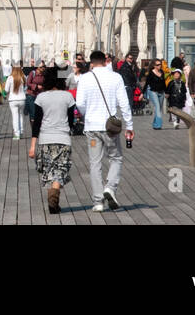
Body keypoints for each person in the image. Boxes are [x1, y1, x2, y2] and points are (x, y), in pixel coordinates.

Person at [75, 50, 134, 211]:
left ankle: (98, 201)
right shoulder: (116, 77)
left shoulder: (85, 78)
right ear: (106, 61)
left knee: (95, 163)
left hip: (92, 128)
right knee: (116, 158)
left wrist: (87, 115)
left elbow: (79, 103)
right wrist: (129, 126)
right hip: (110, 128)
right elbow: (124, 103)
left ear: (91, 63)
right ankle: (110, 187)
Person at [28, 70, 76, 213]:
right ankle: (53, 198)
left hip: (45, 139)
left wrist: (32, 146)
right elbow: (71, 121)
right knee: (61, 170)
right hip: (63, 138)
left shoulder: (41, 97)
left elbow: (36, 123)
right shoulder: (68, 96)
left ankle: (53, 198)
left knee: (48, 170)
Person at [5, 65, 26, 140]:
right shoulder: (23, 77)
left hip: (13, 99)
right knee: (21, 115)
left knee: (15, 116)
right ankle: (21, 132)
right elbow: (25, 88)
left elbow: (6, 90)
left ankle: (17, 134)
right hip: (22, 98)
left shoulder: (10, 78)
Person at [145, 60, 167, 130]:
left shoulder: (162, 72)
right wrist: (142, 94)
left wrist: (166, 92)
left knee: (159, 109)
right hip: (153, 92)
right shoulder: (151, 73)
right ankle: (159, 125)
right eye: (157, 65)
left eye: (160, 64)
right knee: (157, 107)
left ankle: (155, 124)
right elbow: (146, 84)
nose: (159, 66)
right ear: (154, 66)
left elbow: (164, 83)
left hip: (161, 92)